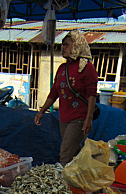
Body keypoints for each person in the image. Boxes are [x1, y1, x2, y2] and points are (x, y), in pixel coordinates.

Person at [34, 29, 98, 164]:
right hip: (63, 118)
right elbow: (54, 92)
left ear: (77, 46)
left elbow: (92, 96)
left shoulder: (87, 68)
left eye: (67, 45)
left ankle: (62, 177)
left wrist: (89, 119)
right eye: (62, 45)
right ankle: (84, 170)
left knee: (65, 153)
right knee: (74, 150)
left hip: (79, 118)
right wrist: (42, 111)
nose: (63, 48)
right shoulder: (62, 68)